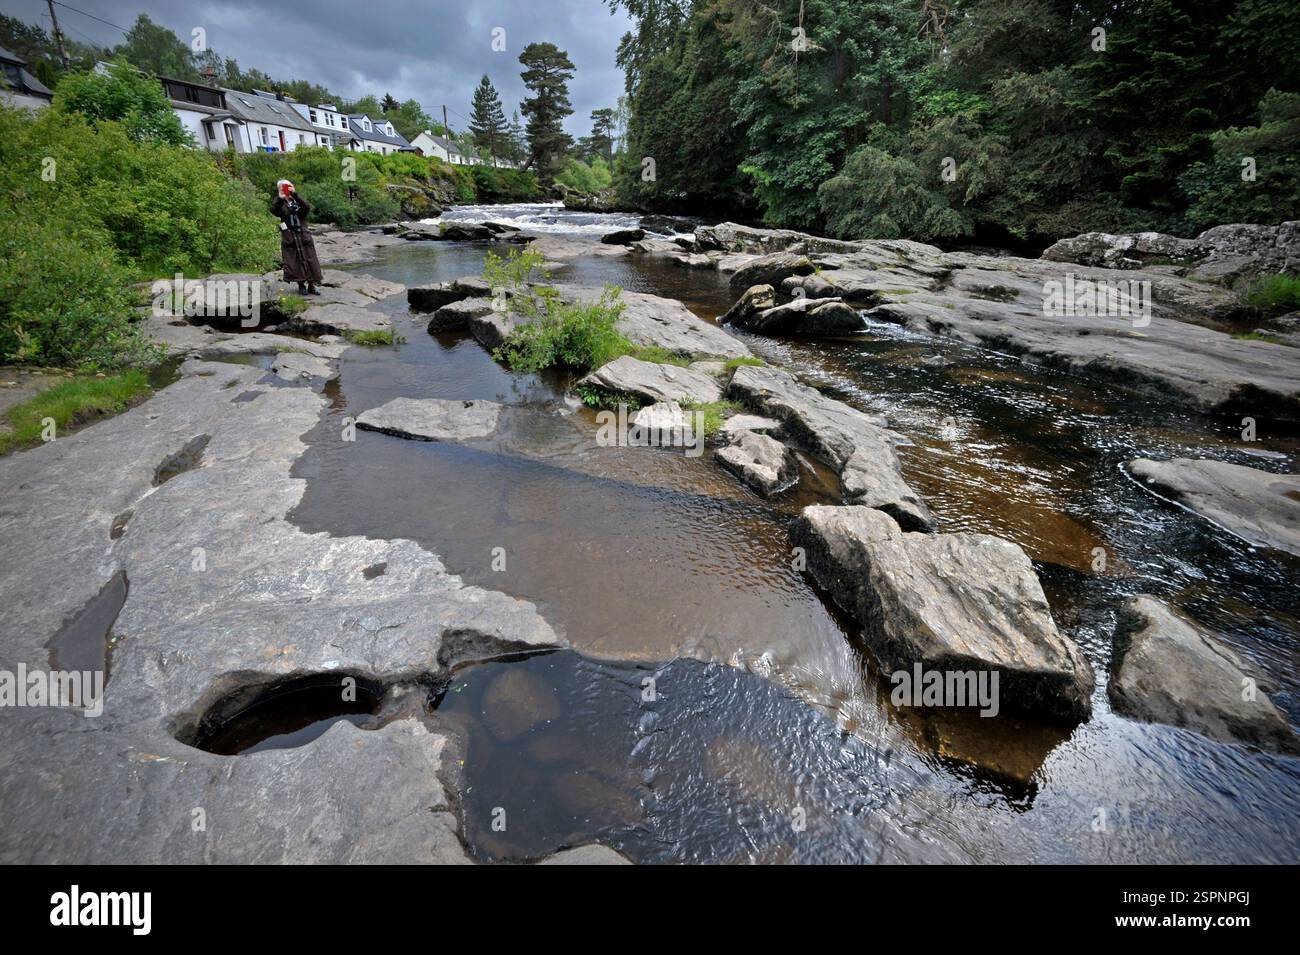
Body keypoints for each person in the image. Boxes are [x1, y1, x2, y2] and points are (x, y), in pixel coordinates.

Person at [270, 179, 323, 295]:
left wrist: (295, 194)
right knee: (294, 261)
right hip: (290, 236)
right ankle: (301, 286)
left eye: (288, 187)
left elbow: (307, 207)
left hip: (303, 235)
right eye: (283, 187)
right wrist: (280, 198)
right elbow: (274, 211)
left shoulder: (297, 200)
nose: (286, 189)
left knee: (310, 260)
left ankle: (312, 285)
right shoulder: (280, 203)